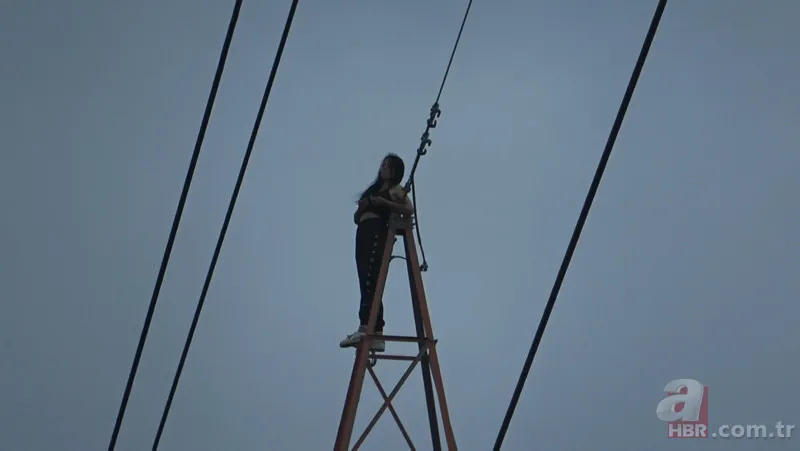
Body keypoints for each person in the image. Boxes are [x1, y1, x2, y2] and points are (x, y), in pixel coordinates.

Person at [340, 153, 414, 352]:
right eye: (382, 165)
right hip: (363, 231)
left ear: (394, 171)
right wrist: (362, 207)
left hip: (377, 231)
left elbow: (409, 209)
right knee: (364, 275)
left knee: (371, 276)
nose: (383, 168)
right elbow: (357, 218)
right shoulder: (373, 190)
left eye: (387, 166)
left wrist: (385, 204)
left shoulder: (394, 190)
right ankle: (371, 327)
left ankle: (370, 327)